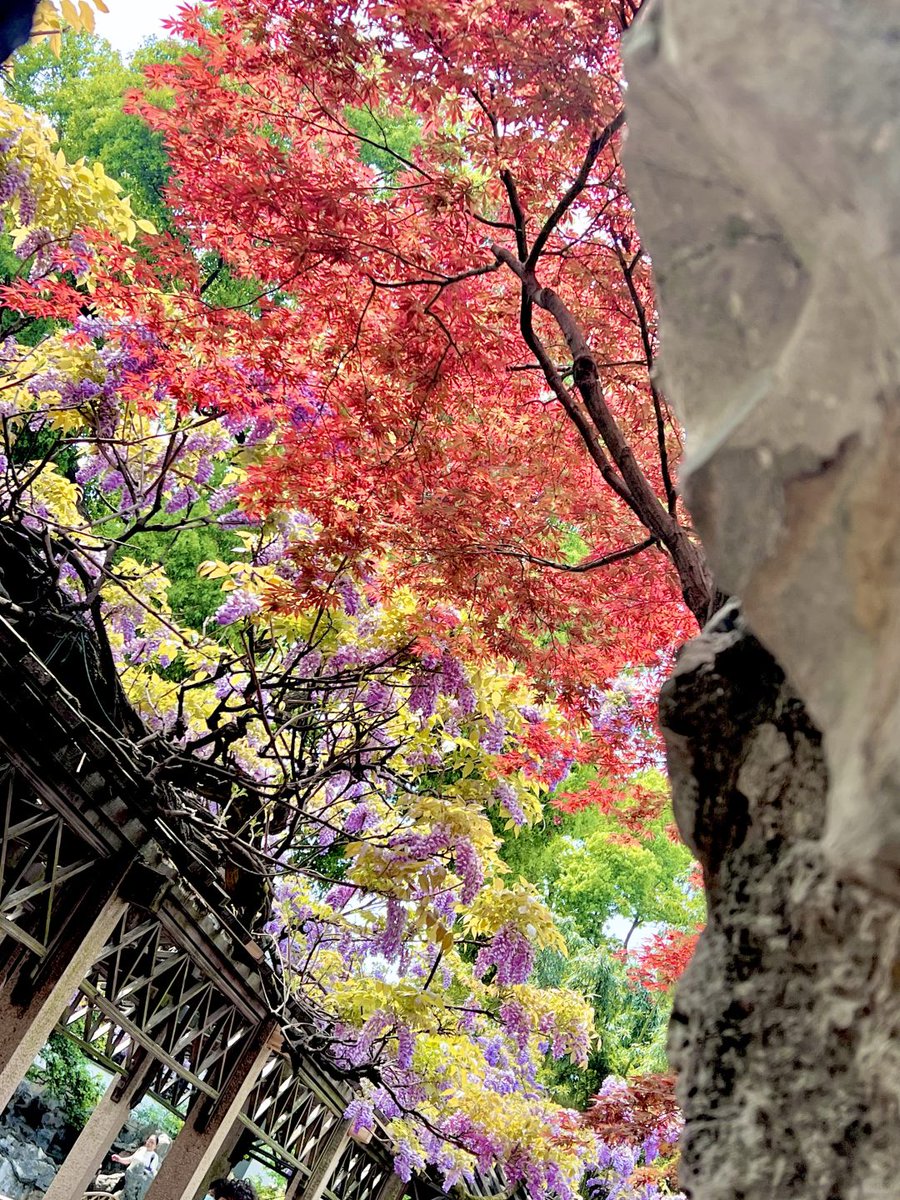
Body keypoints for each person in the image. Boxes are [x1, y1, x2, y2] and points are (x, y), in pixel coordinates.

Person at [111, 1133, 160, 1200]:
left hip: (136, 1185)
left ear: (155, 1146)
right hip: (127, 1177)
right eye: (149, 1140)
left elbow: (150, 1174)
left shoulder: (154, 1157)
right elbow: (130, 1159)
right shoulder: (141, 1149)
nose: (149, 1143)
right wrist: (119, 1159)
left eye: (152, 1142)